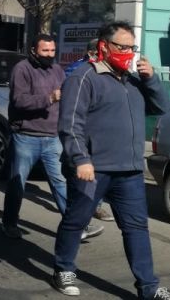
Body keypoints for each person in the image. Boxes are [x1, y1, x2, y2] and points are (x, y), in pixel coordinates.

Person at [52, 21, 170, 299]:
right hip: (92, 170)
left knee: (136, 228)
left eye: (132, 47)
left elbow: (161, 107)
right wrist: (81, 158)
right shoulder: (83, 77)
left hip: (129, 171)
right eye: (122, 46)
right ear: (104, 47)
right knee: (76, 220)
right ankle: (63, 268)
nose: (128, 52)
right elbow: (70, 124)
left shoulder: (132, 82)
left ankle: (148, 287)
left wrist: (151, 78)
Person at [1, 35, 103, 241]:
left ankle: (76, 225)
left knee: (60, 183)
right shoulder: (22, 69)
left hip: (52, 137)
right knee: (17, 183)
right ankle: (9, 222)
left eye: (52, 51)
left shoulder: (57, 70)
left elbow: (67, 96)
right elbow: (19, 101)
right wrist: (49, 98)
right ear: (33, 51)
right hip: (26, 136)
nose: (49, 55)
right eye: (45, 51)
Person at [64, 39, 114, 223]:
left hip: (100, 133)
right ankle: (77, 216)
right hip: (81, 132)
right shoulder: (77, 69)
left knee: (98, 173)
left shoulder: (106, 71)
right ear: (93, 52)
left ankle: (96, 207)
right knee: (81, 178)